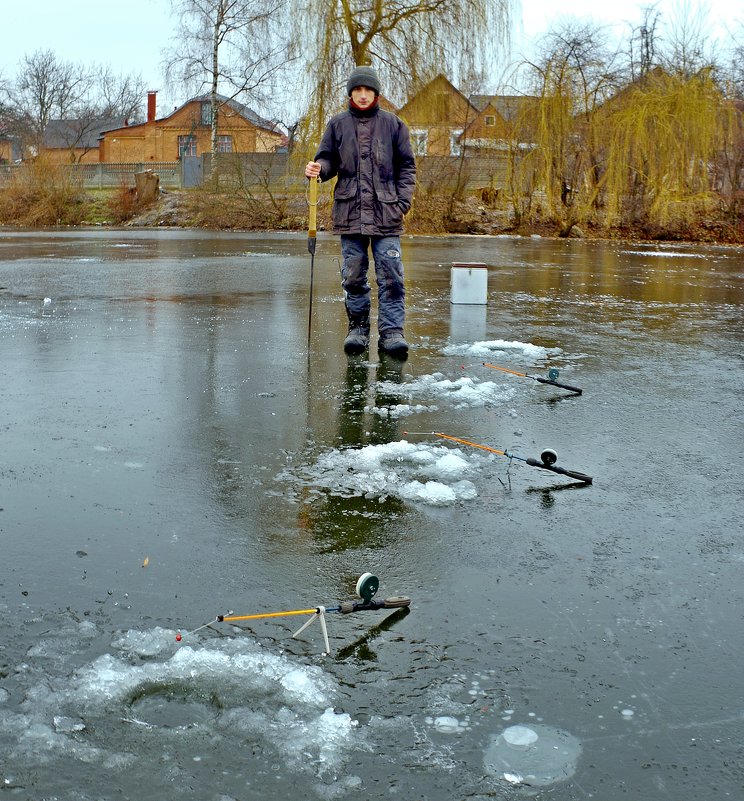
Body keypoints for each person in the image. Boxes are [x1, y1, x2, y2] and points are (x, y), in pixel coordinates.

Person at [305, 65, 416, 359]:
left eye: (368, 90)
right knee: (353, 275)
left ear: (376, 93)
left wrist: (402, 202)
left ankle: (392, 333)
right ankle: (357, 329)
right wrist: (318, 169)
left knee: (391, 275)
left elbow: (407, 167)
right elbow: (327, 160)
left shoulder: (394, 125)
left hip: (387, 215)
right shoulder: (338, 124)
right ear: (351, 93)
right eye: (358, 90)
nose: (363, 95)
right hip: (350, 214)